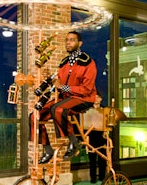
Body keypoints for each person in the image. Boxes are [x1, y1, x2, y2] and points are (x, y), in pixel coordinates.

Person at [31, 31, 97, 164]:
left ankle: (74, 142)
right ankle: (48, 150)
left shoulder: (88, 62)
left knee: (58, 109)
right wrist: (50, 80)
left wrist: (63, 87)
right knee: (34, 116)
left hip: (84, 98)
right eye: (67, 40)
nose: (68, 42)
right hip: (65, 98)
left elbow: (86, 89)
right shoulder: (64, 63)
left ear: (80, 43)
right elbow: (59, 82)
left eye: (72, 40)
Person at [85, 92, 107, 183]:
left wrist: (105, 131)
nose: (96, 99)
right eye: (95, 97)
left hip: (101, 136)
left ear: (101, 99)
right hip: (91, 135)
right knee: (92, 159)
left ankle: (102, 177)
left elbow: (107, 122)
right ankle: (93, 178)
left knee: (102, 158)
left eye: (98, 97)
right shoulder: (87, 110)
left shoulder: (104, 110)